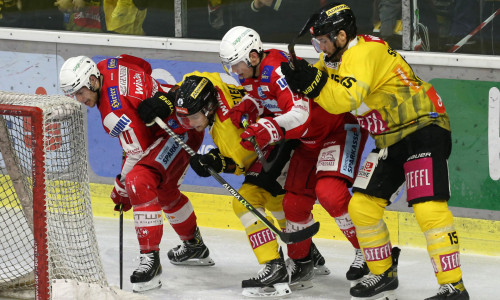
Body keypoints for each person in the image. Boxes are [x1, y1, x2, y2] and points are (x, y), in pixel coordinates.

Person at [280, 2, 469, 300]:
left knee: (428, 208)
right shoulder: (334, 57)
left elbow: (343, 98)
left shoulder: (366, 52)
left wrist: (313, 84)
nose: (320, 47)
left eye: (324, 40)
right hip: (389, 140)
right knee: (362, 207)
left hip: (424, 128)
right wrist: (298, 79)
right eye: (317, 42)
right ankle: (382, 272)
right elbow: (321, 86)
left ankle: (453, 286)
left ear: (342, 36)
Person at [220, 26, 369, 288]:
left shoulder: (278, 70)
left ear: (253, 57)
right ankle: (301, 265)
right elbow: (264, 97)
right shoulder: (254, 72)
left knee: (331, 193)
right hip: (308, 140)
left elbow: (300, 114)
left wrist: (267, 128)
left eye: (236, 65)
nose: (234, 72)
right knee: (294, 205)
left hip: (338, 129)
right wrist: (248, 107)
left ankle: (369, 251)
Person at [58, 54, 214, 293]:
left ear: (92, 80)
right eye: (74, 95)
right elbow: (144, 66)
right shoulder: (110, 63)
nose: (80, 100)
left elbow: (138, 153)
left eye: (80, 92)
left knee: (138, 182)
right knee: (164, 190)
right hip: (181, 122)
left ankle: (150, 261)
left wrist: (121, 189)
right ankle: (194, 246)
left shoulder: (113, 112)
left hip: (177, 133)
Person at [171, 71, 329, 297]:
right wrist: (171, 96)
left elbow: (242, 165)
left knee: (247, 202)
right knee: (277, 201)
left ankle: (274, 265)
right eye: (183, 119)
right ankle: (306, 253)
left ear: (207, 108)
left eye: (192, 118)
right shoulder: (213, 86)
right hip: (288, 139)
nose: (187, 124)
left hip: (278, 149)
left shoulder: (228, 133)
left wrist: (215, 161)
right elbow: (197, 76)